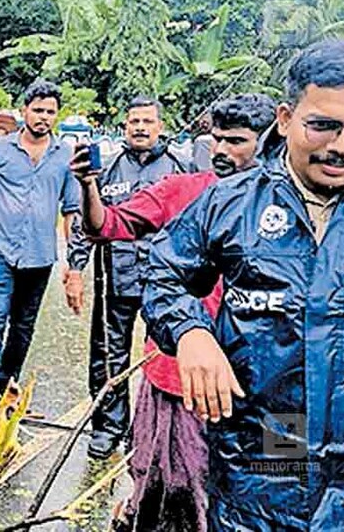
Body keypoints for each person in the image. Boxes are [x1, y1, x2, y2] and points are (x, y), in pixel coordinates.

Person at [142, 39, 344, 530]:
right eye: (324, 125)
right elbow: (163, 272)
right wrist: (191, 334)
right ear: (285, 119)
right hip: (266, 450)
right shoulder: (232, 204)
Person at [72, 93, 275, 531]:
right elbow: (106, 225)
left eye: (235, 141)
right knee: (171, 484)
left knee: (273, 486)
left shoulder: (299, 206)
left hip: (270, 383)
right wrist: (88, 184)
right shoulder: (184, 190)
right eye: (216, 139)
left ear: (269, 139)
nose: (220, 151)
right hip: (178, 376)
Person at [65, 96, 194, 458]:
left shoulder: (180, 169)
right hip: (115, 280)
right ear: (125, 127)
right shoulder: (106, 170)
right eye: (134, 121)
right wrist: (75, 269)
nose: (140, 127)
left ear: (160, 127)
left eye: (147, 121)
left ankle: (156, 430)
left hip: (165, 284)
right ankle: (108, 426)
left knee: (165, 355)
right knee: (109, 355)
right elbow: (86, 225)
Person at [0, 79, 80, 420]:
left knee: (22, 326)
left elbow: (71, 210)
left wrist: (72, 262)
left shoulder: (66, 157)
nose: (44, 117)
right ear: (24, 111)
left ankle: (6, 385)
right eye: (38, 110)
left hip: (40, 255)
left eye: (50, 112)